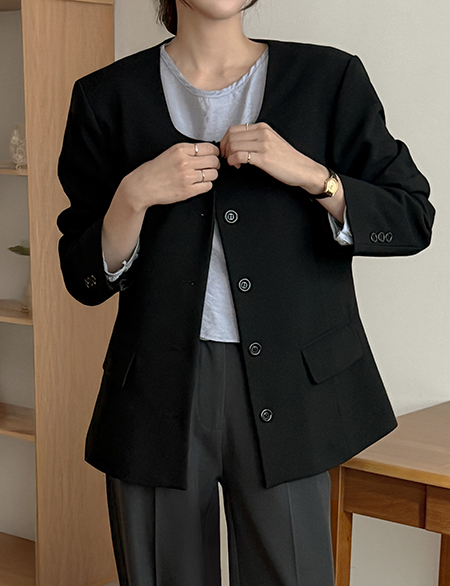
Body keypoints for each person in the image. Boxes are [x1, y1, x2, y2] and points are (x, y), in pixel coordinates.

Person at [56, 1, 435, 584]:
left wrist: (312, 175)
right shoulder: (105, 96)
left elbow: (411, 218)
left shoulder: (329, 78)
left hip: (292, 390)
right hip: (155, 395)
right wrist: (133, 196)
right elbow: (82, 275)